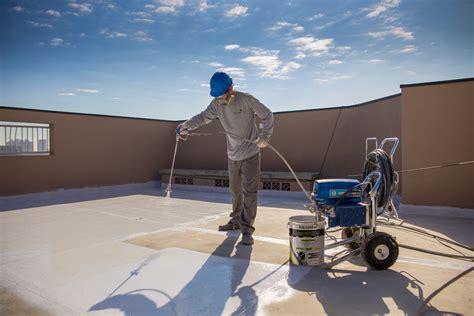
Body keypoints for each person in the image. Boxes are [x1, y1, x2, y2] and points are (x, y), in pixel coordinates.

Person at [176, 72, 274, 245]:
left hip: (251, 154)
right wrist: (185, 126)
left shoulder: (246, 99)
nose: (220, 97)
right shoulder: (216, 104)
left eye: (222, 94)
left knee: (249, 193)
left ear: (230, 88)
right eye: (217, 95)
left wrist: (265, 137)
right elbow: (202, 117)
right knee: (235, 192)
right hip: (232, 155)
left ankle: (247, 230)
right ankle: (235, 221)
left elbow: (267, 114)